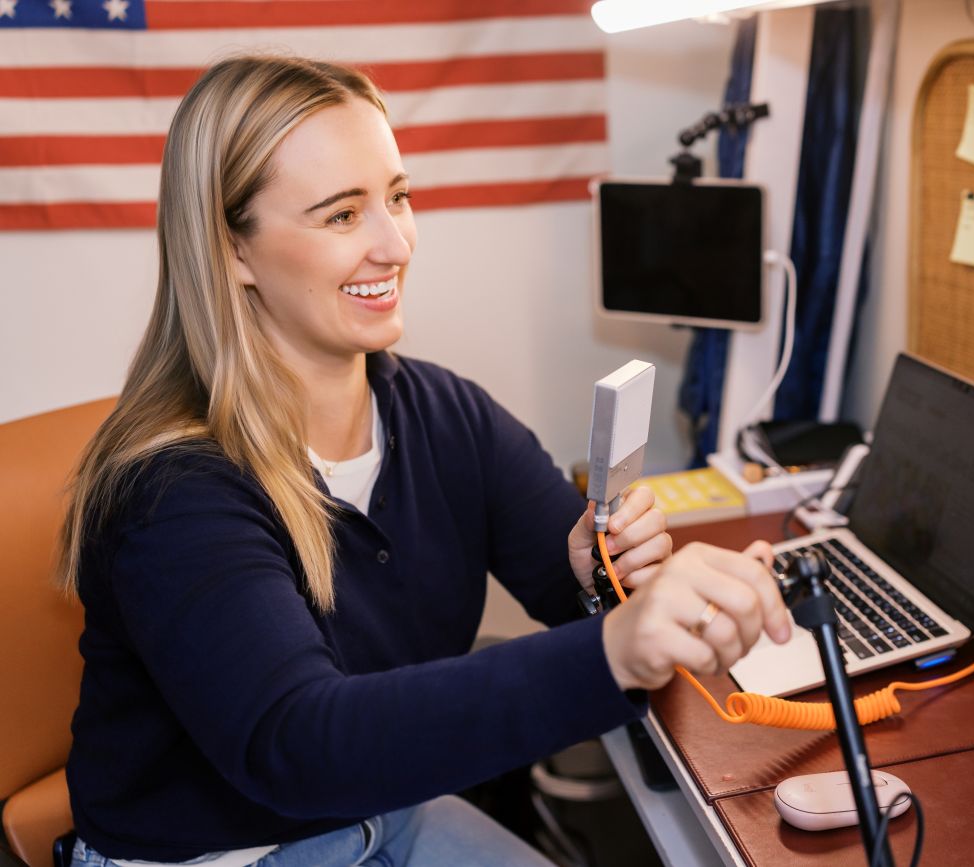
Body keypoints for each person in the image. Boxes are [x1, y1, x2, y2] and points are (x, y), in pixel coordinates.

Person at [56, 54, 790, 867]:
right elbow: (298, 745)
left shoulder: (445, 414)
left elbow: (573, 587)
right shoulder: (172, 489)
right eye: (341, 216)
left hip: (381, 814)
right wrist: (615, 647)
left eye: (398, 197)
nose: (393, 242)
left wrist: (602, 575)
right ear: (232, 250)